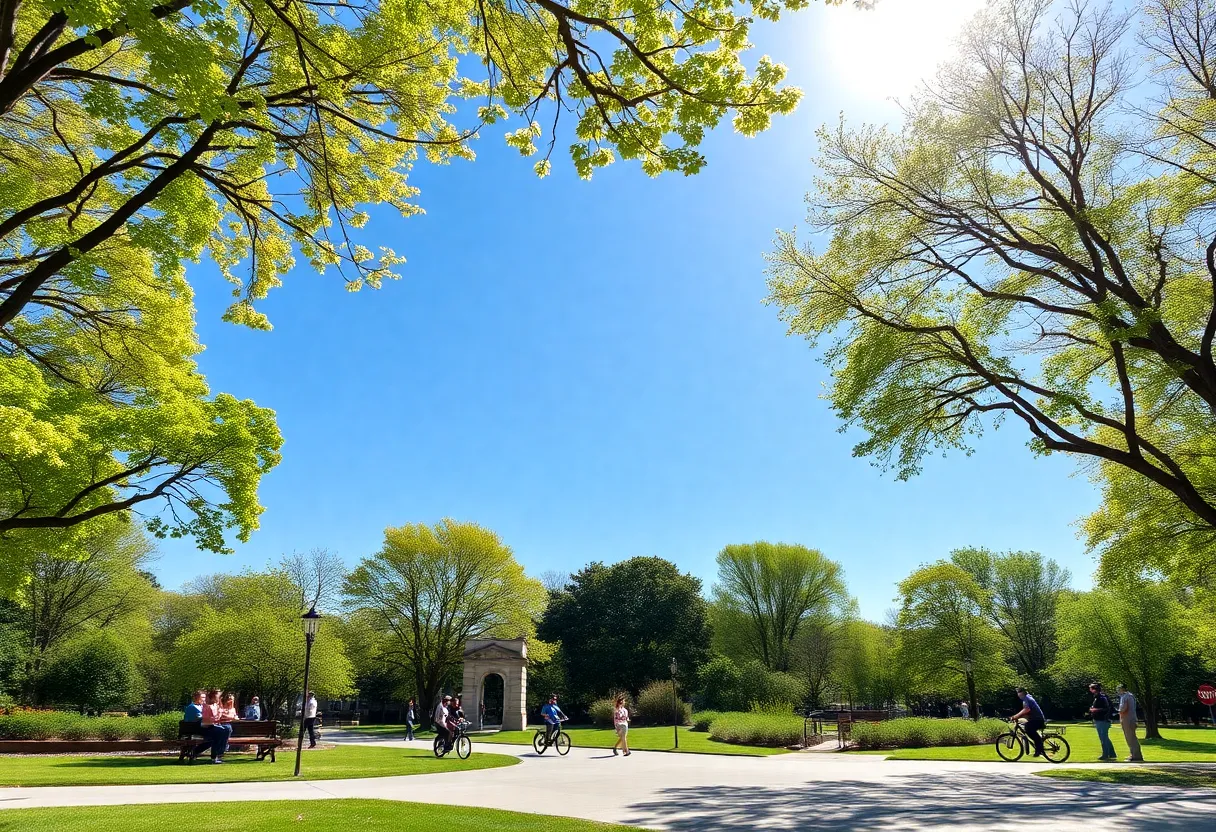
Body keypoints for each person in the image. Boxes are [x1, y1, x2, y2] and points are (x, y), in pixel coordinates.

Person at [1009, 687, 1047, 758]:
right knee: (1027, 727)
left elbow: (1026, 709)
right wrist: (1018, 717)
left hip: (1037, 720)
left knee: (1028, 729)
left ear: (1023, 694)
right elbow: (1027, 712)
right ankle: (1039, 747)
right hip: (1037, 719)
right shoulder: (1028, 697)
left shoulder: (1026, 699)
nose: (1019, 696)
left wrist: (1015, 716)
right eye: (1018, 695)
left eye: (1020, 695)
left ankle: (1039, 749)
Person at [1088, 682, 1117, 761]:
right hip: (1100, 719)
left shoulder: (1101, 698)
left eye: (1091, 688)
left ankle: (1105, 754)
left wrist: (1095, 709)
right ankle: (1112, 754)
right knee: (1105, 738)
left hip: (1103, 720)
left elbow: (1106, 708)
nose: (1090, 690)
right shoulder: (1098, 697)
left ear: (1094, 689)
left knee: (1103, 738)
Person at [202, 689, 232, 763]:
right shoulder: (207, 706)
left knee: (227, 728)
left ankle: (220, 752)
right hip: (208, 727)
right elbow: (207, 720)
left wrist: (220, 714)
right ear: (214, 697)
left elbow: (218, 717)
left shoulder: (215, 705)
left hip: (214, 726)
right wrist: (218, 715)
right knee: (221, 731)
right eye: (218, 696)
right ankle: (217, 754)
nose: (219, 698)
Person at [1117, 684, 1144, 762]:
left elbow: (1123, 708)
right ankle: (1134, 754)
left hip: (1127, 719)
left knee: (1130, 738)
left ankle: (1135, 755)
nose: (1118, 690)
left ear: (1122, 689)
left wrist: (1117, 711)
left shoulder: (1126, 696)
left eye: (1119, 688)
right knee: (1131, 737)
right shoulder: (1129, 696)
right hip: (1130, 719)